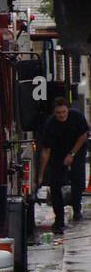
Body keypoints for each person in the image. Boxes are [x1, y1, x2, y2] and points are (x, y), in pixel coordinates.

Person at [37, 96, 89, 232]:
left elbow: (84, 135)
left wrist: (72, 154)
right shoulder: (50, 125)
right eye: (58, 113)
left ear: (68, 110)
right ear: (55, 113)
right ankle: (59, 218)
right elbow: (46, 151)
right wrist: (41, 175)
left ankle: (77, 208)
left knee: (77, 177)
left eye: (64, 112)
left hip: (76, 149)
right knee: (55, 184)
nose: (61, 115)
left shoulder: (77, 117)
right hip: (57, 153)